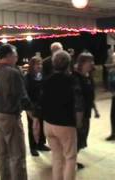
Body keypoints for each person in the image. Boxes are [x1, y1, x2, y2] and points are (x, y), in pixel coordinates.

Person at [0, 44, 39, 180]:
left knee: (3, 153)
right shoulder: (13, 72)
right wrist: (34, 116)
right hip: (10, 117)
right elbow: (23, 96)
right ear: (8, 56)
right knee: (17, 155)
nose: (17, 57)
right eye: (15, 54)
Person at [41, 50, 82, 180]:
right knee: (70, 158)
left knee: (57, 157)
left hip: (48, 124)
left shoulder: (47, 80)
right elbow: (78, 104)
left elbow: (41, 101)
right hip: (65, 124)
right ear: (69, 64)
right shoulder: (71, 80)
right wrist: (79, 122)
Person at [73, 52, 98, 169]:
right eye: (89, 61)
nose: (92, 63)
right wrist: (78, 120)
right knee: (76, 139)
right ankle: (71, 161)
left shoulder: (88, 76)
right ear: (82, 62)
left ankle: (72, 159)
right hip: (78, 114)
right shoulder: (75, 76)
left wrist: (95, 109)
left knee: (81, 138)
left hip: (86, 113)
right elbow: (77, 99)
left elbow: (90, 95)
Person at [25, 56, 50, 157]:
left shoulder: (43, 76)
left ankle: (41, 144)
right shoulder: (27, 77)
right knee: (32, 126)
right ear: (32, 65)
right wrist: (28, 108)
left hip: (43, 105)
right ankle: (33, 147)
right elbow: (25, 93)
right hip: (32, 106)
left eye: (40, 64)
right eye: (37, 64)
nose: (39, 66)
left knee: (42, 125)